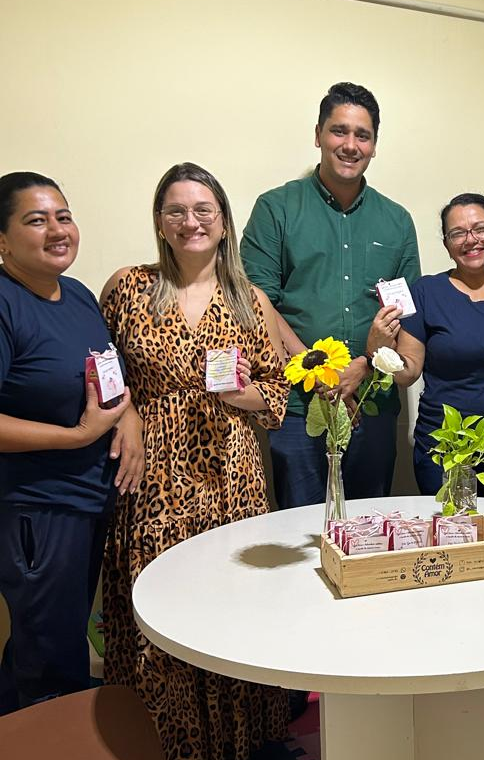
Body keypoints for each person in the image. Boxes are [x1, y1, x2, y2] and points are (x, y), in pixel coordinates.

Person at [100, 163, 289, 760]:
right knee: (162, 606)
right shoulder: (128, 287)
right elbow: (102, 373)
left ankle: (244, 740)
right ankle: (163, 740)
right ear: (160, 222)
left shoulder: (248, 298)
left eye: (204, 209)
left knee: (230, 603)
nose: (191, 221)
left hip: (233, 478)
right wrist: (127, 413)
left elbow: (278, 392)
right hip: (153, 474)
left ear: (225, 222)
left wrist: (241, 394)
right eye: (176, 210)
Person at [241, 82, 421, 509]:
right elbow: (256, 301)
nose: (350, 145)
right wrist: (315, 367)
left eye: (363, 135)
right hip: (299, 404)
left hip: (372, 403)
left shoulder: (396, 221)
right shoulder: (277, 208)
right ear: (318, 134)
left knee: (367, 530)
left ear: (375, 145)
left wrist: (363, 365)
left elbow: (405, 313)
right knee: (299, 531)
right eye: (339, 131)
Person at [0, 172, 141, 714]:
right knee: (51, 658)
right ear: (4, 240)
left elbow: (107, 378)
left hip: (87, 501)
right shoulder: (6, 303)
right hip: (39, 508)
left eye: (63, 215)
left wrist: (127, 417)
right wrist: (76, 436)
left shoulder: (76, 294)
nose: (57, 230)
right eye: (36, 220)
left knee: (48, 642)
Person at [373, 193, 484, 495]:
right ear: (446, 245)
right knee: (453, 535)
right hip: (444, 447)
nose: (471, 240)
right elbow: (408, 372)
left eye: (481, 229)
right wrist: (380, 349)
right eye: (458, 233)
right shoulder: (427, 291)